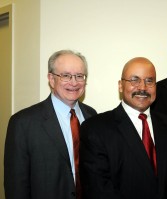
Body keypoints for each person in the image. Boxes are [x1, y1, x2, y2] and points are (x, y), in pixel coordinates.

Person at [79, 57, 167, 199]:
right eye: (134, 80)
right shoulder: (95, 129)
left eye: (149, 81)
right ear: (121, 86)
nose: (142, 87)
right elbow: (98, 189)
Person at [4, 50, 97, 199]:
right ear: (51, 79)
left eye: (79, 76)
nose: (74, 82)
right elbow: (16, 185)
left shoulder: (92, 116)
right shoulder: (22, 123)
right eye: (66, 76)